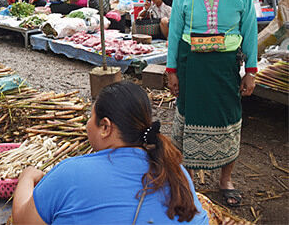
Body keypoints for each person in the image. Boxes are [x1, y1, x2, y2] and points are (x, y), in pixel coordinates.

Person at [12, 81, 208, 225]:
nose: (88, 124)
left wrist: (27, 177)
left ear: (105, 127)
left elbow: (22, 221)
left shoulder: (70, 173)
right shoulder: (176, 171)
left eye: (91, 117)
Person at [167, 0, 257, 207]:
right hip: (190, 66)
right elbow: (173, 36)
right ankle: (190, 180)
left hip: (225, 68)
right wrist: (172, 71)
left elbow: (250, 33)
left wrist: (250, 71)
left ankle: (225, 180)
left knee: (229, 121)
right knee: (189, 122)